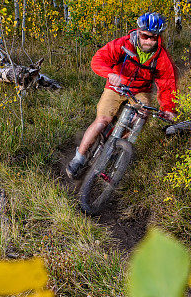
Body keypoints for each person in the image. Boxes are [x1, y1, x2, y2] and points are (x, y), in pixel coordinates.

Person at [66, 12, 178, 179]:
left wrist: (168, 108)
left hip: (140, 91)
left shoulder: (161, 56)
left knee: (141, 117)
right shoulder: (123, 44)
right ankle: (79, 157)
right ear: (139, 32)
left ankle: (117, 149)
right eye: (145, 36)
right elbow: (98, 59)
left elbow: (167, 84)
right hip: (116, 86)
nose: (148, 41)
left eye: (153, 37)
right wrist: (110, 73)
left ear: (158, 37)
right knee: (102, 120)